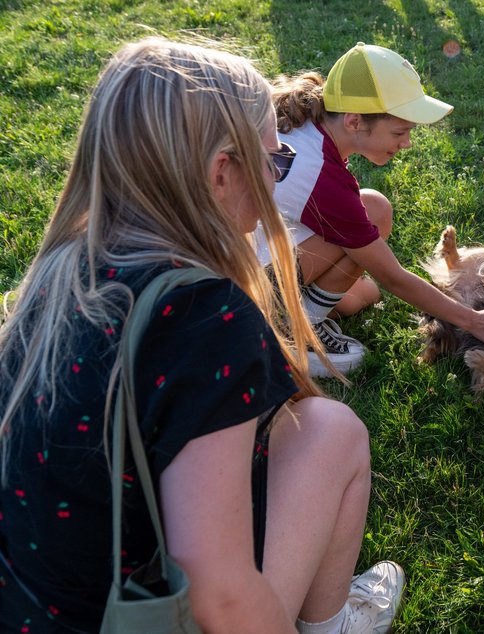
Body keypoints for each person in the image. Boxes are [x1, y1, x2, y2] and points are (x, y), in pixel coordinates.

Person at [0, 38, 405, 634]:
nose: (277, 178)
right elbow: (220, 596)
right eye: (275, 162)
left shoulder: (63, 263)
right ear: (221, 173)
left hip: (31, 603)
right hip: (125, 617)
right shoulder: (203, 313)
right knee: (330, 432)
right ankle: (332, 624)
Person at [259, 42, 484, 376]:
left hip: (233, 259)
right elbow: (393, 277)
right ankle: (292, 331)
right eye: (400, 131)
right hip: (238, 290)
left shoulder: (310, 121)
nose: (407, 142)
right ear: (354, 121)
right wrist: (472, 320)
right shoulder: (321, 177)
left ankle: (299, 308)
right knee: (372, 214)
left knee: (361, 295)